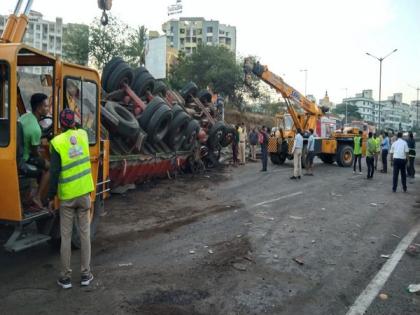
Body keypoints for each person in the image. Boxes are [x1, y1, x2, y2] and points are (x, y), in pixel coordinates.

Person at [48, 109, 94, 289]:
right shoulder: (82, 135)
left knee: (66, 237)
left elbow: (53, 173)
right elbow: (80, 127)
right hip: (84, 195)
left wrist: (51, 197)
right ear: (75, 122)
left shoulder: (57, 143)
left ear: (59, 125)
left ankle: (65, 277)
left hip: (67, 197)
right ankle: (85, 275)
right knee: (84, 235)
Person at [19, 93, 51, 209]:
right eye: (46, 106)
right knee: (49, 167)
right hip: (25, 157)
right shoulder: (35, 130)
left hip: (18, 154)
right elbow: (35, 152)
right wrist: (44, 159)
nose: (48, 109)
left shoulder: (24, 117)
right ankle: (38, 196)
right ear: (39, 108)